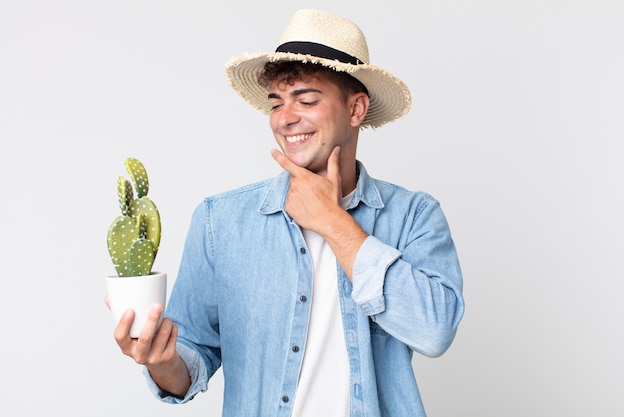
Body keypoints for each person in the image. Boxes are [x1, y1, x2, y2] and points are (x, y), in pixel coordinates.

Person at [109, 9, 464, 417]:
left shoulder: (412, 216)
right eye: (277, 103)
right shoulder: (219, 221)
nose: (285, 119)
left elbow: (435, 330)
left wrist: (334, 222)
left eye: (307, 100)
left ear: (355, 109)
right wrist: (161, 362)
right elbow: (191, 359)